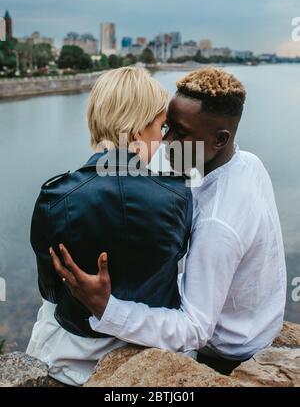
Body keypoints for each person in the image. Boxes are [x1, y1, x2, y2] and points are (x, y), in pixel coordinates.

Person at [51, 67, 287, 375]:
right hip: (258, 322)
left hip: (226, 349)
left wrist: (107, 308)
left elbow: (196, 329)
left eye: (181, 133)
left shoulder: (217, 225)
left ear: (219, 139)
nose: (167, 142)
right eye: (167, 128)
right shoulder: (245, 162)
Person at [27, 67, 193, 386]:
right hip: (151, 351)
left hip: (72, 354)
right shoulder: (179, 196)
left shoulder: (53, 197)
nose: (162, 138)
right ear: (139, 127)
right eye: (160, 126)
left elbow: (49, 289)